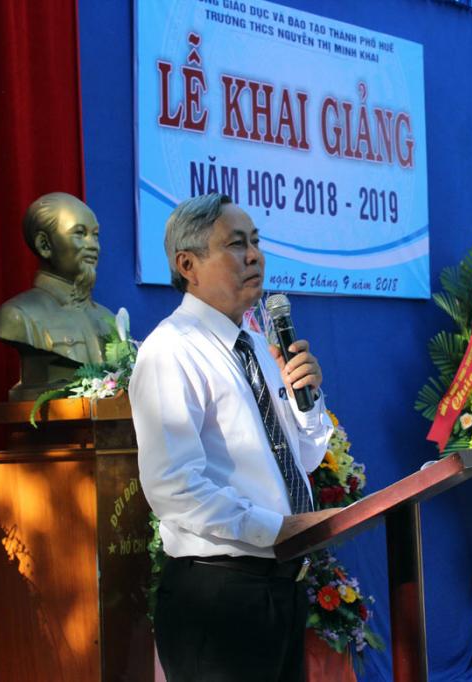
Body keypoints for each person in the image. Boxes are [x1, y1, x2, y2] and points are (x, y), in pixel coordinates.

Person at [129, 193, 338, 682]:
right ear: (188, 265)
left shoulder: (257, 346)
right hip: (219, 597)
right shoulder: (171, 350)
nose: (255, 256)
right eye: (237, 244)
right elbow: (172, 487)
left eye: (257, 242)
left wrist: (308, 402)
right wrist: (275, 529)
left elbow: (306, 457)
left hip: (280, 591)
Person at [0, 192, 114, 396]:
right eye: (80, 233)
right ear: (45, 245)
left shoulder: (108, 318)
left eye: (95, 235)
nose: (93, 246)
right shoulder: (18, 315)